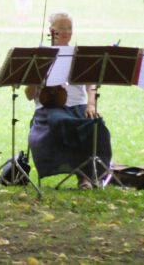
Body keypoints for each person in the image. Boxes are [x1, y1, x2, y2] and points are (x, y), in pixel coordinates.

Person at [24, 12, 112, 189]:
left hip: (78, 105)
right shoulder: (41, 54)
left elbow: (90, 84)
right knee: (64, 122)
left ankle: (91, 175)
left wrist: (91, 104)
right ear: (52, 30)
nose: (66, 32)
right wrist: (36, 77)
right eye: (61, 28)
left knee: (97, 124)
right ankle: (82, 173)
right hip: (50, 107)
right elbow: (28, 94)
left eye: (69, 28)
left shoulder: (79, 54)